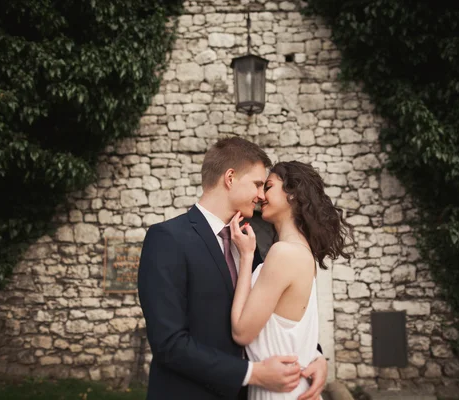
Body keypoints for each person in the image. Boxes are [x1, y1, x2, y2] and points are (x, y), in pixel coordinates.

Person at [138, 138, 328, 400]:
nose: (262, 196)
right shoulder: (167, 239)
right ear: (230, 178)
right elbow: (169, 343)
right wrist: (252, 373)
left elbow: (274, 313)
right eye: (258, 184)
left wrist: (315, 356)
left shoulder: (248, 244)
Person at [229, 161, 353, 400]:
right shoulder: (303, 252)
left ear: (293, 194)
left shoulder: (283, 253)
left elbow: (241, 333)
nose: (261, 195)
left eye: (269, 186)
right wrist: (317, 357)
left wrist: (246, 257)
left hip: (277, 393)